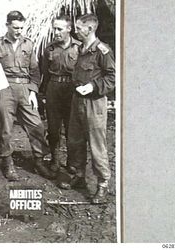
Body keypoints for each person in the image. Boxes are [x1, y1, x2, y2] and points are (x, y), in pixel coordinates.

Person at [0, 11, 53, 181]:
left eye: (21, 27)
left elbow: (34, 71)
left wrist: (33, 92)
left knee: (36, 124)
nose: (19, 31)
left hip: (25, 88)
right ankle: (7, 162)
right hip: (5, 88)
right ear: (7, 26)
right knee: (5, 127)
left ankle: (39, 161)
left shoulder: (28, 44)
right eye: (15, 27)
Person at [67, 14, 115, 204]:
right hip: (77, 101)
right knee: (75, 140)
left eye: (79, 28)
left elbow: (112, 77)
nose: (75, 30)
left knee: (96, 144)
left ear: (90, 29)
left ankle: (102, 184)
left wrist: (94, 86)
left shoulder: (102, 51)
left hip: (94, 103)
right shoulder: (81, 48)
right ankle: (79, 175)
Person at [40, 15, 81, 174]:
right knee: (53, 127)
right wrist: (43, 94)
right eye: (54, 28)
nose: (56, 32)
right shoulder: (49, 48)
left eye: (60, 29)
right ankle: (55, 160)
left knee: (72, 128)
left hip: (72, 89)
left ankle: (71, 161)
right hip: (54, 88)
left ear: (69, 29)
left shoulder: (79, 47)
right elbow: (45, 73)